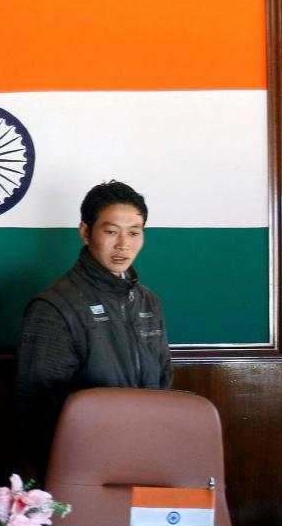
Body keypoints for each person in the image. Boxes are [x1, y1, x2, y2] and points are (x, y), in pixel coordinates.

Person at [14, 180, 173, 478]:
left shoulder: (149, 302)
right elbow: (37, 411)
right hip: (83, 467)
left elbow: (163, 384)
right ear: (85, 232)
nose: (123, 244)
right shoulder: (55, 306)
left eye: (134, 233)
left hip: (147, 457)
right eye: (111, 232)